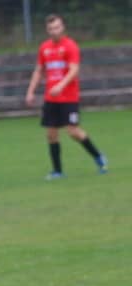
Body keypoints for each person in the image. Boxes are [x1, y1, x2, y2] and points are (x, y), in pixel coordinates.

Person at [24, 14, 108, 180]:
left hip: (69, 98)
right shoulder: (44, 48)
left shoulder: (70, 46)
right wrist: (30, 91)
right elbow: (39, 71)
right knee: (51, 134)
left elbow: (74, 70)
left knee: (73, 131)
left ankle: (99, 156)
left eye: (57, 27)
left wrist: (60, 86)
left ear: (62, 27)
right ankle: (58, 171)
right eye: (51, 28)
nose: (54, 31)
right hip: (51, 99)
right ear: (47, 30)